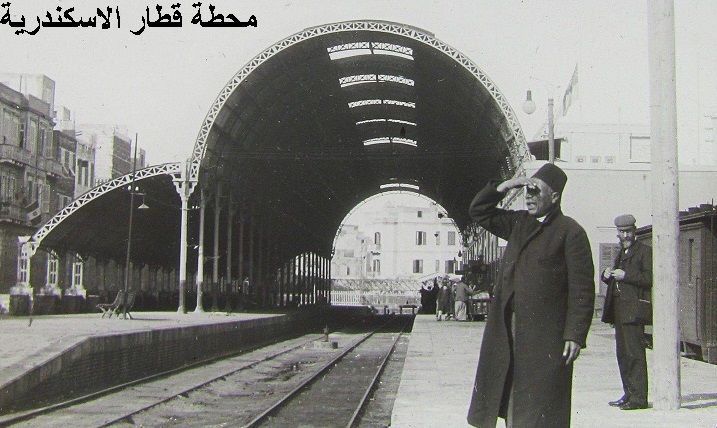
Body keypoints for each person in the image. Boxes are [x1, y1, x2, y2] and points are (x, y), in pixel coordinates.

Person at [466, 163, 595, 428]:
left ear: (554, 197)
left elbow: (582, 290)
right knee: (511, 394)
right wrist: (505, 186)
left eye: (536, 191)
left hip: (545, 337)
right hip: (509, 328)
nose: (529, 196)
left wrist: (575, 334)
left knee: (539, 406)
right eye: (527, 190)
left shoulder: (571, 232)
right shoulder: (518, 223)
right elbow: (478, 211)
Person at [601, 214, 652, 410]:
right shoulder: (621, 252)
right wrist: (607, 276)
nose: (625, 235)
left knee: (635, 355)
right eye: (622, 232)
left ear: (634, 231)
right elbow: (617, 279)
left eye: (628, 232)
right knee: (623, 354)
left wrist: (626, 275)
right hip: (620, 311)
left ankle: (639, 398)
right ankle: (629, 393)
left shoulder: (644, 251)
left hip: (634, 311)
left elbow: (649, 278)